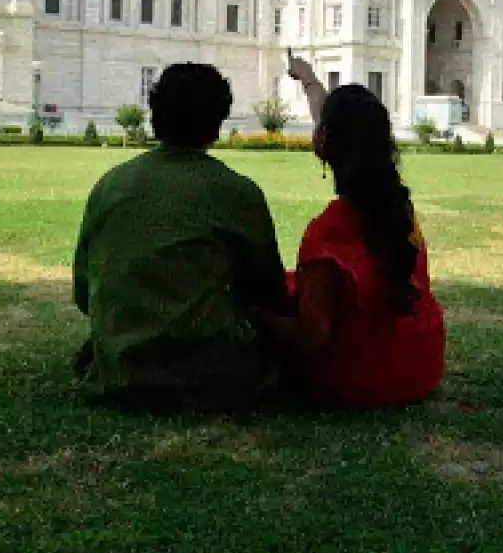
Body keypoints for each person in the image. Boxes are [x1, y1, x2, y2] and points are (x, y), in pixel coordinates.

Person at [72, 62, 291, 408]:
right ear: (218, 123)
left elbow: (85, 294)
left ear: (155, 115)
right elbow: (269, 293)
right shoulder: (236, 192)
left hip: (120, 374)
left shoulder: (110, 185)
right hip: (214, 378)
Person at [251, 54, 446, 407]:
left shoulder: (330, 233)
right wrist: (309, 79)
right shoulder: (399, 210)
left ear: (323, 141)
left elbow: (311, 339)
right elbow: (342, 126)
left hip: (360, 379)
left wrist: (250, 312)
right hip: (419, 364)